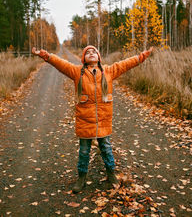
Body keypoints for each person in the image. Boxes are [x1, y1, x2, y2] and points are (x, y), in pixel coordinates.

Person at [32, 45, 153, 193]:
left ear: (98, 57)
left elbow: (125, 64)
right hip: (84, 120)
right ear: (83, 58)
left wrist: (141, 57)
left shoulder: (108, 71)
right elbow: (60, 63)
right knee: (84, 151)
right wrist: (44, 54)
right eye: (87, 53)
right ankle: (81, 178)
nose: (91, 53)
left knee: (106, 148)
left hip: (103, 120)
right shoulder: (77, 72)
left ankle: (111, 175)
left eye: (93, 52)